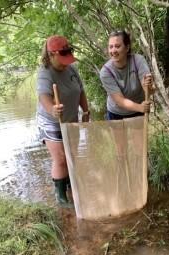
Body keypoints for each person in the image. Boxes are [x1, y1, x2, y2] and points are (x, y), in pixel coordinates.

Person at [36, 35, 90, 208]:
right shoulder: (45, 72)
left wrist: (86, 110)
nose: (66, 62)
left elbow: (80, 91)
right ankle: (60, 196)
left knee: (71, 155)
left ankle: (68, 183)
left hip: (70, 118)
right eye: (62, 58)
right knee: (60, 158)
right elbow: (43, 96)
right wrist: (52, 109)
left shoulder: (71, 69)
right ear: (51, 55)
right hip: (51, 120)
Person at [100, 30, 153, 120]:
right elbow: (120, 101)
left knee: (138, 135)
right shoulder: (106, 72)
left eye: (117, 46)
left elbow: (149, 90)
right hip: (116, 112)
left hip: (138, 110)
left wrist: (149, 86)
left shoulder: (138, 61)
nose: (113, 50)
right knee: (118, 135)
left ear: (127, 48)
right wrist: (141, 108)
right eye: (110, 47)